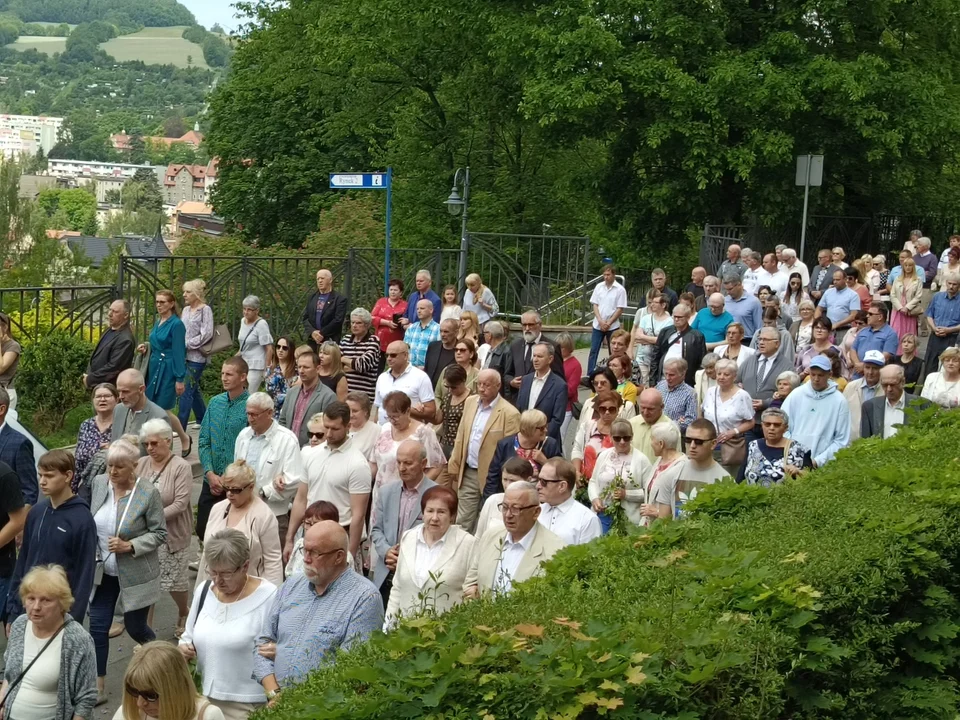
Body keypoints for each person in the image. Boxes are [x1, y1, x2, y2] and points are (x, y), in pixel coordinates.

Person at [253, 522, 382, 701]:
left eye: (314, 552)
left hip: (322, 707)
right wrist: (274, 694)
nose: (306, 558)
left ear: (338, 557)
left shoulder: (364, 597)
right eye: (304, 550)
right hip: (277, 704)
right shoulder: (291, 585)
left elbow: (352, 668)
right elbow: (262, 644)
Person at [89, 439, 166, 702]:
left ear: (134, 466)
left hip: (135, 572)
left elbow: (159, 533)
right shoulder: (100, 483)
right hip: (103, 571)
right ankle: (98, 687)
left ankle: (162, 666)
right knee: (97, 627)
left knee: (136, 627)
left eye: (119, 467)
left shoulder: (147, 493)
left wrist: (130, 545)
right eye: (109, 465)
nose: (112, 472)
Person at [179, 529, 277, 720]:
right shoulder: (204, 590)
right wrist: (183, 648)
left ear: (245, 566)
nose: (217, 580)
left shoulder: (269, 596)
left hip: (247, 703)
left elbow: (284, 646)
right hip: (201, 698)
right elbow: (188, 635)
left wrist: (279, 650)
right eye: (212, 571)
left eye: (225, 573)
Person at [6, 451, 96, 625]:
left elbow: (85, 574)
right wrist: (13, 611)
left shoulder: (82, 519)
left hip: (59, 612)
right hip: (30, 607)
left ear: (68, 475)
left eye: (49, 476)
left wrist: (72, 621)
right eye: (40, 475)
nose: (42, 482)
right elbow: (23, 560)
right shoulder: (36, 513)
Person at [1, 565, 97, 720]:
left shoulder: (78, 639)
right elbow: (10, 675)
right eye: (31, 599)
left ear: (61, 603)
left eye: (45, 600)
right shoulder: (20, 625)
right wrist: (3, 701)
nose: (36, 607)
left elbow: (86, 700)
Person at [286, 402, 370, 566]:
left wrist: (350, 556)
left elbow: (358, 515)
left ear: (348, 426)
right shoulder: (311, 455)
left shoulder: (357, 464)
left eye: (335, 429)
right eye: (327, 427)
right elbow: (301, 499)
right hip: (309, 534)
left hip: (338, 537)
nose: (329, 433)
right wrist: (290, 538)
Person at [384, 486, 476, 629]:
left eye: (441, 512)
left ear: (452, 516)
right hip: (405, 634)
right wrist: (388, 629)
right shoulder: (408, 537)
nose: (434, 518)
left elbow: (471, 595)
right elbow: (397, 588)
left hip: (446, 635)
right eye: (430, 511)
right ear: (422, 513)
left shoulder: (468, 544)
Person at [137, 419, 193, 636]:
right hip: (145, 536)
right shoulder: (141, 464)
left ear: (168, 441)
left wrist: (151, 520)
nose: (150, 448)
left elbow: (179, 504)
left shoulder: (181, 467)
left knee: (175, 584)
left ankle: (184, 610)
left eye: (154, 443)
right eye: (146, 444)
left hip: (172, 536)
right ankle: (146, 636)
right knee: (150, 587)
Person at [463, 481, 566, 598]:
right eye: (505, 507)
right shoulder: (490, 536)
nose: (508, 515)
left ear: (536, 512)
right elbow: (470, 582)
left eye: (516, 509)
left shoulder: (555, 551)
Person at [445, 370, 519, 532]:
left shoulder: (510, 413)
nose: (482, 388)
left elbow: (510, 453)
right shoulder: (470, 402)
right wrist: (454, 464)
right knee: (463, 521)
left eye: (487, 385)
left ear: (498, 386)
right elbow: (461, 435)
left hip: (493, 477)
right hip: (469, 471)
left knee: (488, 521)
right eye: (479, 384)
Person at [371, 440, 438, 606]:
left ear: (423, 464)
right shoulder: (387, 491)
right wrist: (387, 552)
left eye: (408, 463)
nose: (401, 468)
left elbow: (439, 536)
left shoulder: (436, 495)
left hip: (417, 575)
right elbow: (376, 530)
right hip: (386, 572)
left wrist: (405, 556)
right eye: (399, 462)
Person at [199, 459, 283, 589]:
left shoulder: (264, 516)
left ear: (250, 487)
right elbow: (206, 555)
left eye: (236, 490)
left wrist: (271, 596)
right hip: (215, 587)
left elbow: (273, 560)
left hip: (248, 590)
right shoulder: (217, 509)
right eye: (226, 488)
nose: (229, 494)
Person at [234, 392, 306, 545]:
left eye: (255, 414)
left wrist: (264, 492)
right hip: (243, 511)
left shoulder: (287, 440)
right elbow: (236, 470)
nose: (250, 418)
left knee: (271, 564)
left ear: (269, 413)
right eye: (248, 414)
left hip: (273, 515)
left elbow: (293, 480)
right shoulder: (243, 436)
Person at [197, 357, 250, 545]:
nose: (224, 378)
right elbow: (203, 440)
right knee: (203, 527)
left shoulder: (250, 406)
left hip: (234, 482)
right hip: (210, 480)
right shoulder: (214, 403)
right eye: (222, 374)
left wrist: (228, 477)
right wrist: (209, 472)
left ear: (243, 377)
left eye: (229, 374)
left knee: (230, 532)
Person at [115, 641, 225, 720]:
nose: (140, 703)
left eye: (150, 695)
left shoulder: (208, 716)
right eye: (133, 691)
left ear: (175, 688)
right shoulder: (129, 712)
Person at [139, 290, 192, 455]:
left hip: (168, 369)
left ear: (171, 304)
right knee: (151, 405)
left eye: (162, 302)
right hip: (154, 367)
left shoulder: (176, 324)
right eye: (157, 302)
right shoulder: (159, 321)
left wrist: (179, 378)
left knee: (163, 409)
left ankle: (182, 437)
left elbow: (178, 351)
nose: (159, 305)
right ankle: (155, 443)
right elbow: (157, 342)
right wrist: (146, 346)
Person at [780, 355, 851, 467]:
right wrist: (793, 453)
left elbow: (841, 440)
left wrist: (818, 461)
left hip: (824, 465)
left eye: (821, 375)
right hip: (792, 461)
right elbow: (782, 426)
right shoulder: (796, 394)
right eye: (813, 374)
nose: (816, 379)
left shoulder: (839, 401)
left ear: (830, 375)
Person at [588, 419, 651, 531]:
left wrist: (626, 494)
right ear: (611, 437)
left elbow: (649, 493)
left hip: (628, 518)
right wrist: (594, 498)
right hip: (603, 513)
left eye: (626, 438)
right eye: (617, 438)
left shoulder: (642, 460)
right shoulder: (604, 456)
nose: (622, 442)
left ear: (631, 437)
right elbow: (593, 481)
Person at [739, 327, 796, 438]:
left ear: (777, 344)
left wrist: (766, 403)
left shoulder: (787, 365)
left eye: (765, 340)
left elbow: (790, 393)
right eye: (759, 339)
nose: (761, 342)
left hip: (772, 423)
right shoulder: (749, 361)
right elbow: (735, 382)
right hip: (748, 421)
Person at [701, 358, 754, 473]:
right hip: (709, 444)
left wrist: (733, 432)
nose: (721, 377)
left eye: (726, 374)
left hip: (730, 446)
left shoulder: (742, 396)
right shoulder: (711, 392)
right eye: (719, 373)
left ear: (734, 376)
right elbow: (702, 413)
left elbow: (751, 422)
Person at [736, 407, 812, 486]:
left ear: (785, 428)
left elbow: (811, 478)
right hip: (753, 496)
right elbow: (742, 473)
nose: (771, 428)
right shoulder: (753, 445)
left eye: (777, 425)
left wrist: (798, 472)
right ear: (762, 426)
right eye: (767, 424)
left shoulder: (799, 450)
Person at [537, 458, 601, 545]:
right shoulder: (535, 512)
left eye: (544, 482)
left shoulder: (587, 519)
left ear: (562, 486)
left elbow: (590, 556)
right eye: (538, 480)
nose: (538, 486)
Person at [278, 351, 337, 446]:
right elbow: (283, 421)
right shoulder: (291, 392)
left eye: (306, 367)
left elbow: (327, 429)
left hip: (312, 451)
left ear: (318, 369)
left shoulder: (328, 396)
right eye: (299, 367)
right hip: (287, 448)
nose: (301, 371)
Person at [178, 279, 214, 429]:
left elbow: (207, 334)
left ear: (197, 294)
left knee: (186, 389)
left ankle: (180, 426)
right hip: (183, 355)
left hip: (197, 357)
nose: (184, 295)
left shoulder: (205, 310)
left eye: (188, 292)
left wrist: (187, 344)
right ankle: (203, 419)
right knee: (193, 388)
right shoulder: (186, 310)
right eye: (184, 292)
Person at [503, 312, 564, 399]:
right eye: (524, 325)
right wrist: (511, 382)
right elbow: (507, 374)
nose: (527, 328)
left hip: (541, 401)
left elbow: (559, 379)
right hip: (518, 401)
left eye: (531, 325)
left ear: (540, 325)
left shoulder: (552, 346)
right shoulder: (515, 346)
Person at [373, 342, 436, 425]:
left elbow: (431, 411)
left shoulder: (420, 377)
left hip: (409, 433)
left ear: (405, 356)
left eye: (393, 355)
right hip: (383, 431)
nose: (388, 358)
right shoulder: (382, 377)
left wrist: (406, 410)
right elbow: (379, 408)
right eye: (386, 355)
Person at [516, 342, 568, 443]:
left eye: (539, 356)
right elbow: (519, 410)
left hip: (544, 440)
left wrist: (541, 438)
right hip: (523, 439)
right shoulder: (526, 380)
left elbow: (557, 420)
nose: (535, 360)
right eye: (534, 356)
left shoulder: (559, 385)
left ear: (550, 359)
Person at [675, 419, 728, 514]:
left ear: (713, 444)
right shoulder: (673, 473)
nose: (692, 445)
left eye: (698, 441)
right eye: (688, 440)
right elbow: (664, 517)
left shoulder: (725, 480)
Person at [861, 365, 926, 439]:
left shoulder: (921, 404)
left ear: (903, 382)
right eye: (885, 385)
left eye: (892, 385)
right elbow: (865, 441)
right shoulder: (870, 407)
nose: (889, 389)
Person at [649, 303, 706, 386]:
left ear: (688, 317)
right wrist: (652, 381)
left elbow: (701, 361)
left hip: (685, 380)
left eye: (679, 317)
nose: (676, 319)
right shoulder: (665, 332)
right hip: (663, 377)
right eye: (674, 316)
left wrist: (694, 381)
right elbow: (655, 357)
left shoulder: (697, 336)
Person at [639, 424, 686, 526]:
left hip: (665, 531)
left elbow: (681, 506)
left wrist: (656, 512)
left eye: (652, 439)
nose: (650, 443)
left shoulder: (681, 468)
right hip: (650, 526)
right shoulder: (660, 460)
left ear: (661, 444)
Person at [112, 369, 169, 451]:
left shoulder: (158, 416)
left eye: (125, 392)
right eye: (119, 391)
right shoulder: (118, 409)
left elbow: (163, 454)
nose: (121, 396)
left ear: (141, 389)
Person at [84, 300, 136, 389]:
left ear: (126, 315)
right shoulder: (109, 330)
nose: (110, 314)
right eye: (110, 310)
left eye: (115, 312)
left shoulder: (125, 339)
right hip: (98, 386)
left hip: (110, 389)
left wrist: (91, 379)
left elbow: (114, 367)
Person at [476, 457, 532, 538]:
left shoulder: (534, 508)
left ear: (528, 480)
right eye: (505, 479)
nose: (507, 485)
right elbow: (479, 536)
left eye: (513, 481)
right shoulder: (492, 501)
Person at [587, 264, 628, 373]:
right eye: (604, 275)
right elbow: (595, 304)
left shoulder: (620, 290)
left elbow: (620, 308)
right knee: (594, 350)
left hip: (613, 326)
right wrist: (600, 321)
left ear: (614, 274)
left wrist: (609, 322)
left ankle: (613, 372)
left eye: (608, 274)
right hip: (598, 324)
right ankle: (590, 373)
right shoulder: (599, 287)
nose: (606, 277)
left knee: (614, 350)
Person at [284, 501, 342, 577]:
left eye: (317, 524)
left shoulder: (338, 553)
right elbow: (289, 573)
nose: (311, 528)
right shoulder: (299, 544)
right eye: (308, 523)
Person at [75, 383, 117, 485]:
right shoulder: (86, 425)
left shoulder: (121, 424)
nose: (102, 399)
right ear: (93, 400)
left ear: (117, 399)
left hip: (112, 483)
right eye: (98, 396)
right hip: (85, 484)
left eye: (107, 396)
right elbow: (77, 460)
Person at [338, 308, 382, 402]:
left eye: (358, 323)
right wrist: (354, 366)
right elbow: (335, 364)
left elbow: (362, 365)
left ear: (367, 325)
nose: (354, 325)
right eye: (352, 322)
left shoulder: (373, 341)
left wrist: (343, 359)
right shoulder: (345, 339)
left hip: (364, 396)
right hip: (344, 394)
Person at [922, 272, 960, 380]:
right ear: (946, 283)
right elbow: (929, 315)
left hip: (952, 337)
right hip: (935, 336)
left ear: (959, 285)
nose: (951, 286)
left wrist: (949, 330)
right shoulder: (937, 297)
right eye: (949, 283)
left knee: (948, 366)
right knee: (930, 365)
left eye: (955, 284)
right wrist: (933, 328)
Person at [628, 388, 681, 463]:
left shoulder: (671, 429)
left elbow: (675, 459)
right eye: (643, 407)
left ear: (662, 407)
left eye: (650, 409)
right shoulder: (631, 424)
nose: (645, 412)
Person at [630, 291, 672, 384]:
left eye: (655, 303)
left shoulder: (670, 321)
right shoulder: (646, 318)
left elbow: (663, 340)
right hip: (642, 358)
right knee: (640, 384)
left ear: (663, 305)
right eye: (651, 302)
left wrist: (645, 338)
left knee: (656, 384)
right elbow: (637, 336)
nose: (652, 304)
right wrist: (655, 340)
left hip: (658, 359)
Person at [842, 350, 884, 442]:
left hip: (876, 443)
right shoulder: (851, 387)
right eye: (867, 367)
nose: (870, 372)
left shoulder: (886, 390)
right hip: (851, 441)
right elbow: (841, 413)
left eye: (875, 368)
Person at [302, 268, 348, 349]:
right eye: (318, 279)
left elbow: (338, 320)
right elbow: (305, 318)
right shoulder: (312, 297)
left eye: (322, 278)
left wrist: (321, 333)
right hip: (313, 340)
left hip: (330, 340)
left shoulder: (339, 299)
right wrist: (312, 332)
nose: (320, 281)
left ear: (330, 280)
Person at [236, 295, 274, 392]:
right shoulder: (242, 321)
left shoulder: (261, 324)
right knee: (240, 392)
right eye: (244, 309)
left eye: (249, 309)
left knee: (250, 394)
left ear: (256, 310)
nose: (246, 312)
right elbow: (243, 344)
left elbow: (269, 348)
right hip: (243, 362)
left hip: (256, 365)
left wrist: (267, 369)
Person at [849, 302, 898, 376]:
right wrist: (857, 365)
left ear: (880, 317)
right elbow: (853, 349)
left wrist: (865, 366)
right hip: (857, 374)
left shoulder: (890, 334)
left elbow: (886, 355)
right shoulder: (863, 331)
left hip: (876, 376)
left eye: (870, 314)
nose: (867, 316)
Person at [654, 358, 697, 435]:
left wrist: (675, 424)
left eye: (671, 375)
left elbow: (690, 421)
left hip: (674, 436)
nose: (667, 378)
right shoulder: (660, 386)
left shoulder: (690, 393)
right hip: (654, 431)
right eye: (666, 374)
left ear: (683, 374)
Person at [815, 269, 860, 343]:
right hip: (828, 329)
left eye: (838, 280)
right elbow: (819, 309)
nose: (835, 282)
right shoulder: (828, 292)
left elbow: (854, 315)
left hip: (843, 330)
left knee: (841, 352)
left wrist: (836, 325)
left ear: (845, 279)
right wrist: (818, 322)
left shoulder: (853, 295)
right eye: (834, 279)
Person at [264, 336, 298, 418]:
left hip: (292, 411)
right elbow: (269, 392)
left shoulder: (297, 370)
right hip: (273, 412)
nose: (280, 350)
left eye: (285, 348)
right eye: (278, 347)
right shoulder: (270, 370)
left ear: (291, 350)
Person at [371, 279, 408, 353]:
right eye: (391, 289)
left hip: (397, 341)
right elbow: (372, 318)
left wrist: (404, 321)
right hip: (380, 341)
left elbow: (409, 320)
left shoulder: (405, 305)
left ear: (400, 292)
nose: (393, 292)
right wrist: (387, 323)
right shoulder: (381, 302)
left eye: (395, 290)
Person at [556, 332, 581, 438]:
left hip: (566, 407)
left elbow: (571, 389)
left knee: (560, 437)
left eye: (562, 348)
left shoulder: (575, 365)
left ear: (568, 348)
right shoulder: (556, 360)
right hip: (554, 405)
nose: (558, 350)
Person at [404, 299, 442, 369]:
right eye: (417, 309)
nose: (419, 311)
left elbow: (439, 353)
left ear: (431, 310)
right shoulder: (411, 328)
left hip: (429, 370)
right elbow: (405, 348)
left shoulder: (438, 329)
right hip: (409, 369)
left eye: (422, 308)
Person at [423, 318, 459, 388]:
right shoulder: (432, 346)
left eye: (446, 332)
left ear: (456, 333)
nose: (442, 334)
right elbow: (426, 369)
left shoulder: (460, 350)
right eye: (441, 331)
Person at [345, 391, 380, 461]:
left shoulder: (376, 431)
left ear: (365, 411)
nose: (351, 415)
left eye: (355, 411)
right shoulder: (341, 427)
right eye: (348, 410)